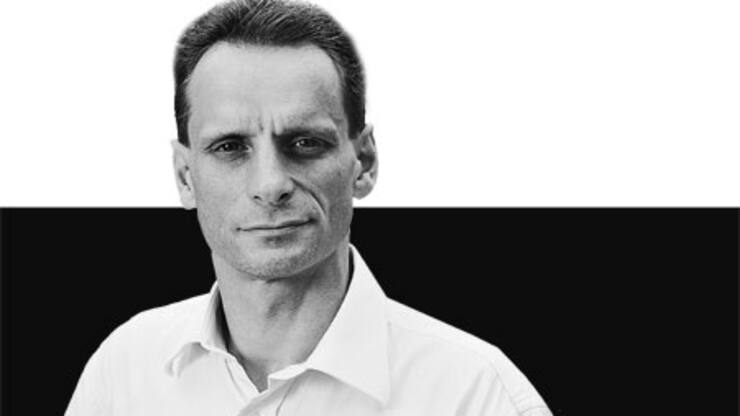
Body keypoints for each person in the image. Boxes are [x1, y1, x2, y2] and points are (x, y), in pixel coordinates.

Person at [65, 0, 552, 414]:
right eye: (230, 147)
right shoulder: (123, 373)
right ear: (185, 177)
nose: (271, 184)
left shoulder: (477, 395)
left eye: (304, 142)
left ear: (363, 162)